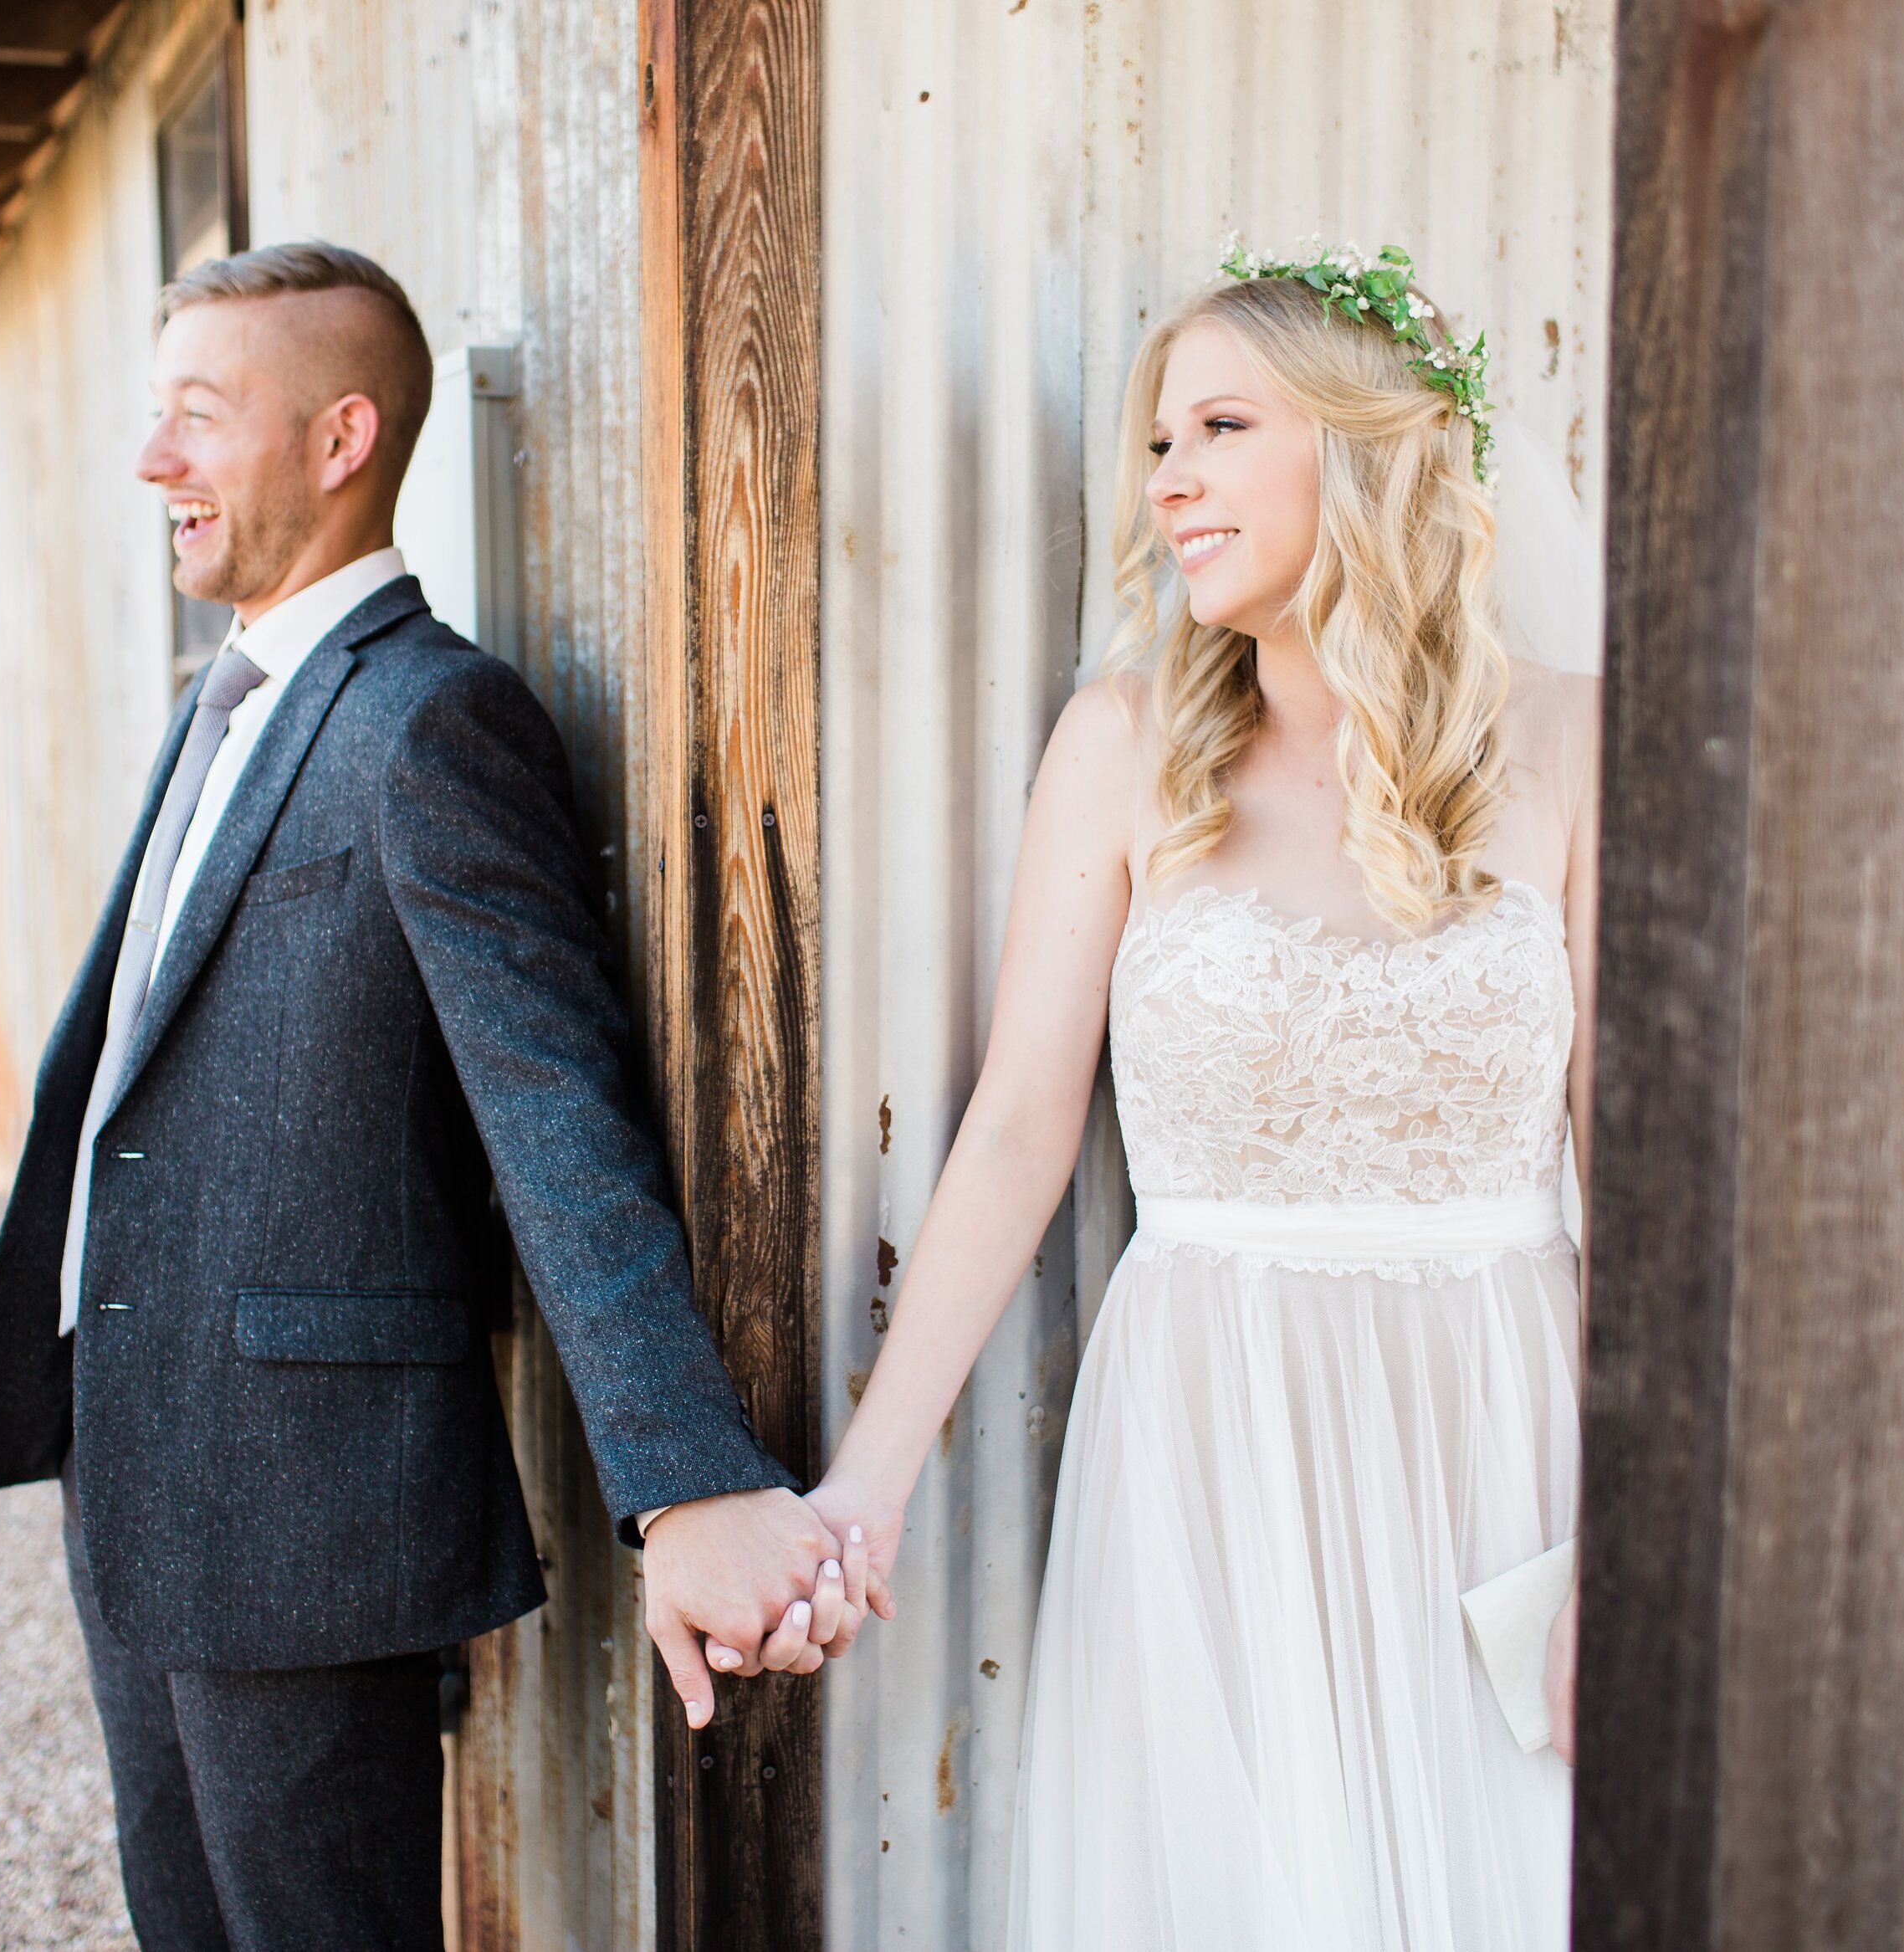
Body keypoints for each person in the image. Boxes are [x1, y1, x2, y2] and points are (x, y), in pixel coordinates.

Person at [0, 241, 862, 1952]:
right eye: (155, 420)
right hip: (135, 1452)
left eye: (197, 421)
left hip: (300, 1495)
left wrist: (680, 1475)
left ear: (340, 437)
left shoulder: (433, 724)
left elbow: (556, 1115)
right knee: (183, 1917)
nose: (154, 464)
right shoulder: (216, 705)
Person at [783, 247, 1596, 1948]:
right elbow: (1016, 1129)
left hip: (1505, 1430)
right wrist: (866, 1480)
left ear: (1369, 449)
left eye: (1221, 426)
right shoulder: (1125, 744)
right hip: (1214, 1429)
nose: (1168, 481)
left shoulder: (1581, 744)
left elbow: (1647, 1182)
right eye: (1159, 442)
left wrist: (1634, 1539)